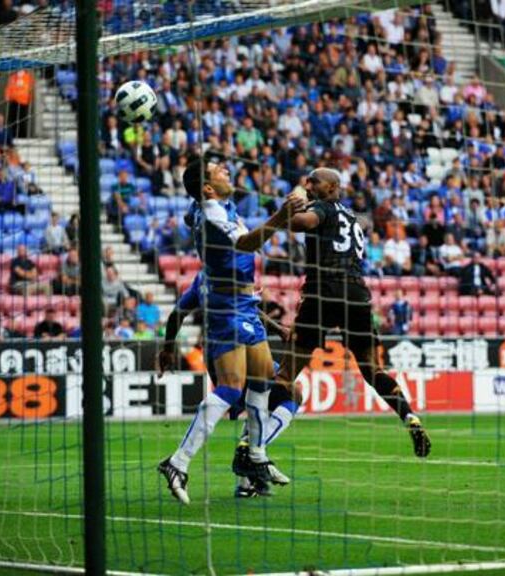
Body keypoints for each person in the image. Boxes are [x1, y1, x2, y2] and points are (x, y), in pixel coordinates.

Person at [157, 154, 305, 504]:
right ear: (207, 187)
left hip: (245, 307)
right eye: (217, 169)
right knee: (233, 388)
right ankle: (178, 462)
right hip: (227, 310)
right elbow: (247, 243)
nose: (226, 168)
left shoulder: (212, 209)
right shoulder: (212, 211)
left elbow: (195, 217)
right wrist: (282, 217)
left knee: (264, 380)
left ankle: (255, 456)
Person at [281, 167, 431, 459]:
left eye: (315, 181)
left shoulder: (322, 208)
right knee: (372, 370)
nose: (309, 183)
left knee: (286, 374)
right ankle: (410, 416)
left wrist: (291, 204)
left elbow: (300, 222)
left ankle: (250, 448)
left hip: (323, 292)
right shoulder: (352, 217)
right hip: (358, 297)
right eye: (307, 180)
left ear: (332, 186)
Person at [157, 272, 298, 498]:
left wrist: (277, 328)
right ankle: (189, 460)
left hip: (247, 340)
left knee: (292, 392)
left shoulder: (220, 273)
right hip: (228, 348)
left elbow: (248, 308)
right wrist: (167, 348)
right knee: (237, 391)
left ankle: (247, 470)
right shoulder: (221, 272)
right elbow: (178, 314)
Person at [5, 69, 34, 139]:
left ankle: (22, 135)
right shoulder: (13, 76)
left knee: (22, 119)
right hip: (14, 101)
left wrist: (30, 99)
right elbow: (9, 87)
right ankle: (13, 135)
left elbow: (30, 88)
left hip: (23, 102)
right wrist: (7, 96)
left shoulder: (28, 76)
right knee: (13, 119)